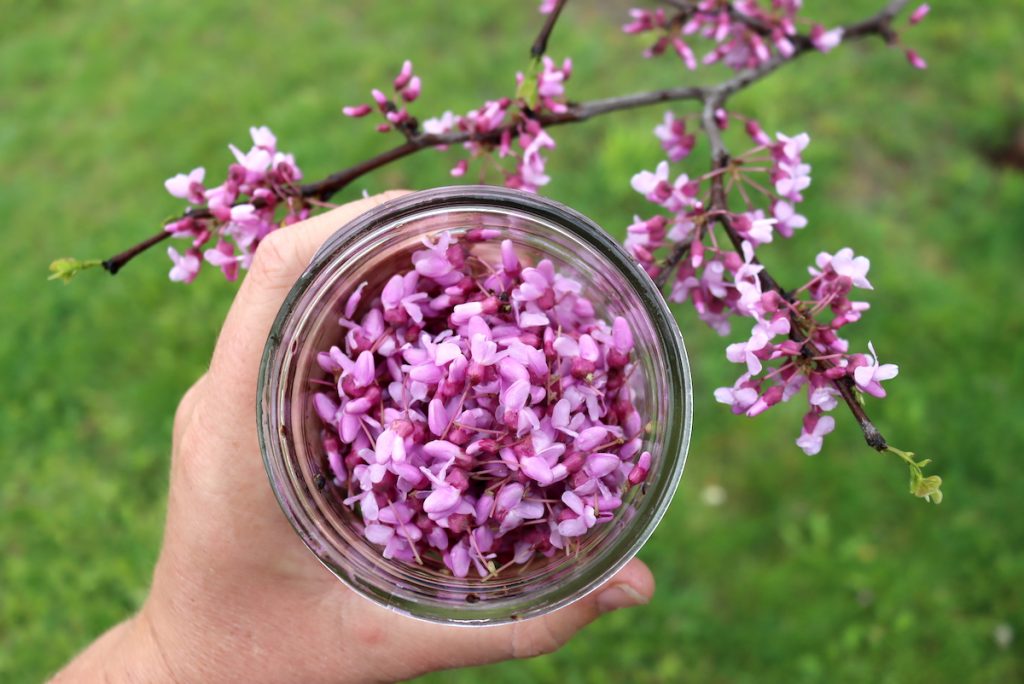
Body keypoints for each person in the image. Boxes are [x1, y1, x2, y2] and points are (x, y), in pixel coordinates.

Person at [53, 192, 655, 682]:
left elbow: (492, 460)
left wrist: (170, 663)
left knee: (481, 458)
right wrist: (175, 663)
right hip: (440, 450)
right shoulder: (417, 428)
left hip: (464, 443)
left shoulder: (476, 418)